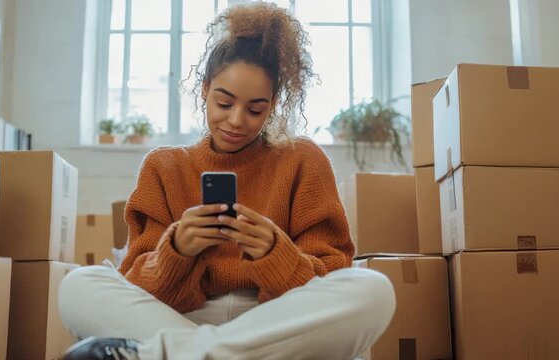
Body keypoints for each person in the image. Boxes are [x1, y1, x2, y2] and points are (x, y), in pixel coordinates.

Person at [59, 2, 395, 359]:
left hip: (276, 322)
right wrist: (176, 252)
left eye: (255, 109)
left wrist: (276, 255)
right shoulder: (164, 166)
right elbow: (137, 286)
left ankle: (176, 354)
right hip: (183, 318)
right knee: (78, 287)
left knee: (373, 289)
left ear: (273, 104)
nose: (237, 121)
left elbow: (331, 276)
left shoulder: (303, 161)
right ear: (204, 89)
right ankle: (211, 353)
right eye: (224, 102)